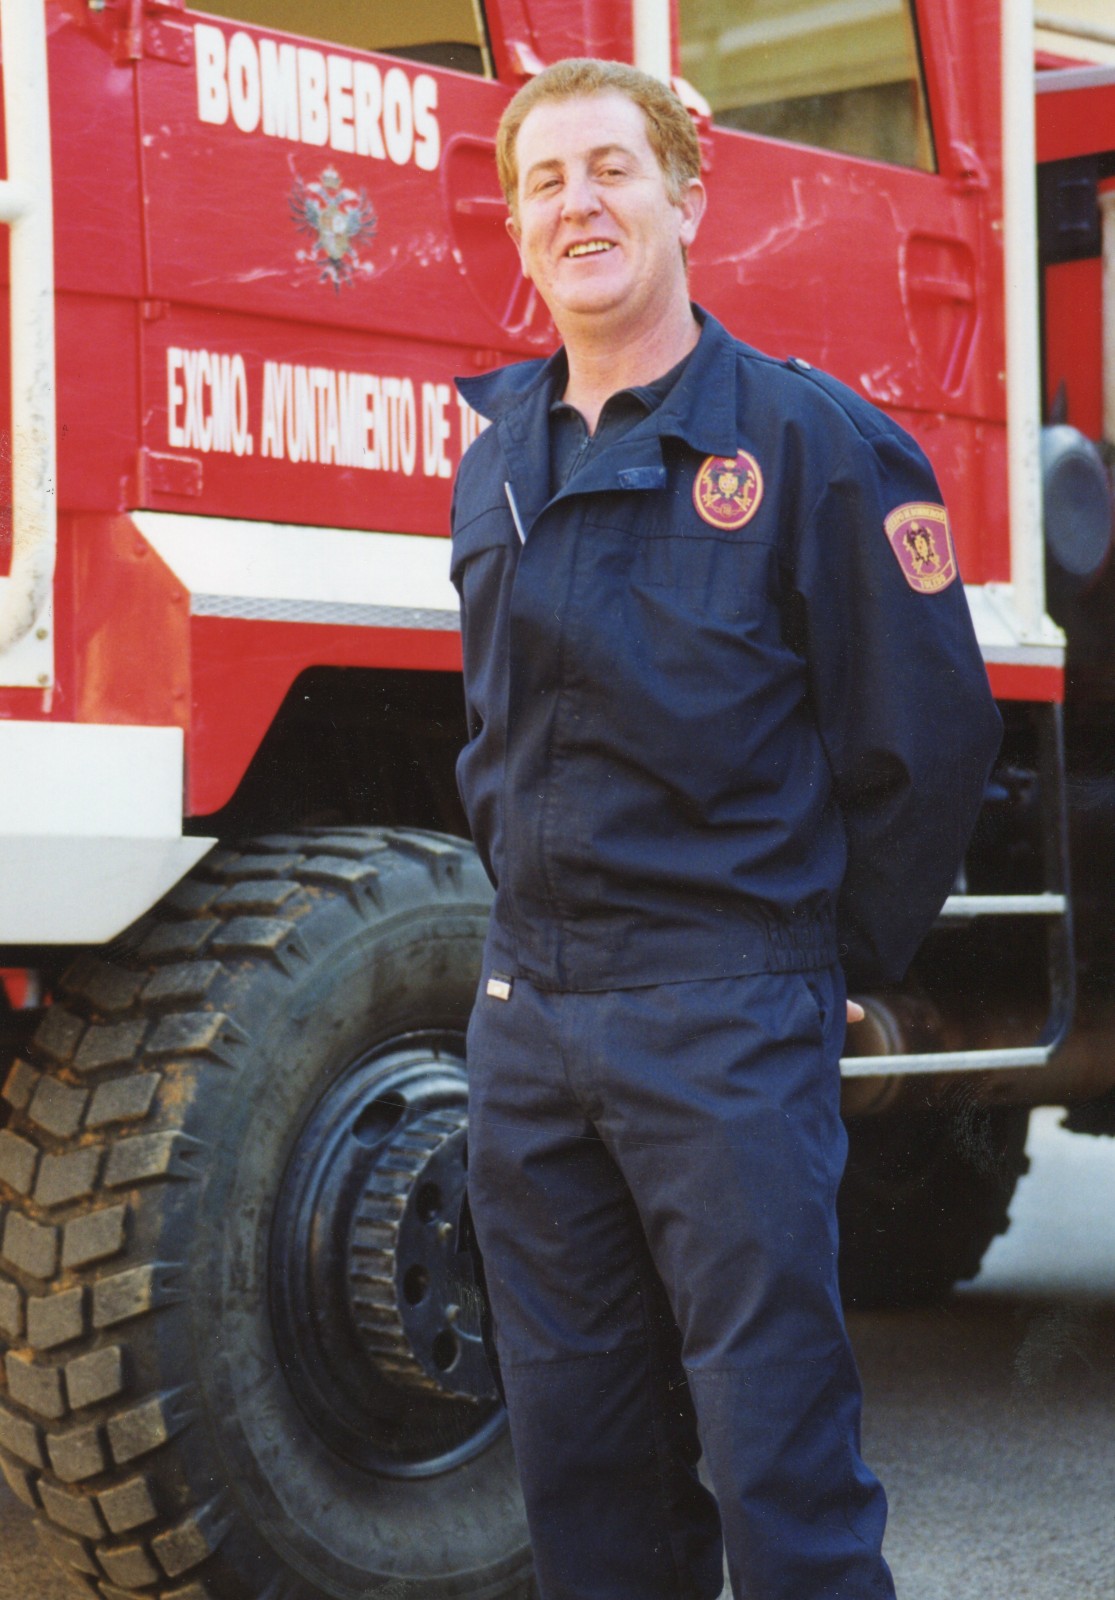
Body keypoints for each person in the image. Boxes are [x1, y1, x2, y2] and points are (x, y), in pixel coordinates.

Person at [449, 58, 1002, 1600]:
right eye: (545, 181)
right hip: (530, 1018)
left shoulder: (817, 446)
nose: (580, 205)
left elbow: (928, 740)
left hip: (725, 1010)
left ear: (688, 193)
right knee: (584, 1471)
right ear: (515, 226)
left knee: (782, 1473)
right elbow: (497, 735)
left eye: (612, 169)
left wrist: (808, 961)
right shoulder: (493, 456)